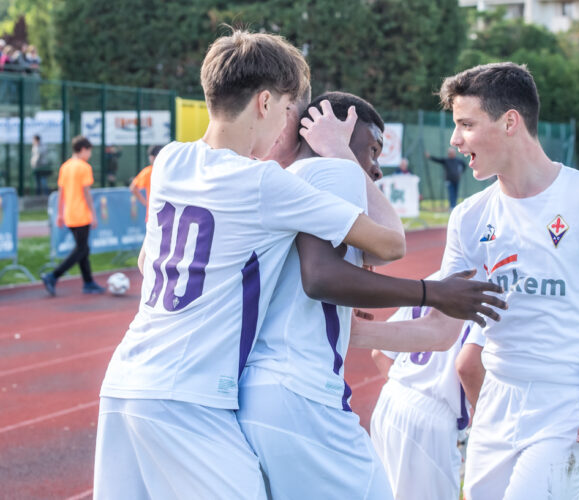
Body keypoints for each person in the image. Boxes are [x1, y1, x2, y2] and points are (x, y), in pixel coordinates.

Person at [93, 31, 408, 500]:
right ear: (265, 102)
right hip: (190, 396)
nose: (288, 124)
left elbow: (148, 257)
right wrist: (343, 156)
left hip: (122, 384)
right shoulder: (265, 185)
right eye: (287, 110)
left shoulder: (171, 161)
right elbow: (388, 243)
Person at [237, 92, 506, 500]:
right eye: (373, 150)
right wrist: (431, 293)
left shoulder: (291, 179)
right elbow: (379, 248)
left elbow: (377, 255)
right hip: (298, 390)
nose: (377, 169)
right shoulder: (325, 175)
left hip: (282, 387)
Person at [438, 62, 579, 499]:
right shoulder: (469, 217)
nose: (455, 140)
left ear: (510, 122)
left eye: (466, 125)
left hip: (570, 404)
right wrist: (361, 329)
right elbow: (441, 323)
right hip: (495, 404)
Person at [368, 272, 486, 500]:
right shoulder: (489, 290)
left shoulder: (436, 278)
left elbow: (380, 353)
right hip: (431, 417)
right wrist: (489, 424)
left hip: (390, 400)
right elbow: (468, 366)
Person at [41, 135, 104, 296]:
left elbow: (60, 192)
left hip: (69, 214)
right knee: (81, 249)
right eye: (89, 151)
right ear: (83, 149)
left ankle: (88, 282)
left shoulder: (65, 166)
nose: (89, 155)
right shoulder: (84, 167)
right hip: (81, 214)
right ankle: (53, 275)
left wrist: (60, 213)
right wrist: (93, 214)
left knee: (83, 248)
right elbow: (86, 193)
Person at [129, 144, 162, 220]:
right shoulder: (168, 171)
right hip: (165, 216)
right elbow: (133, 188)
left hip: (153, 214)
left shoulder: (148, 172)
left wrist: (146, 203)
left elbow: (133, 188)